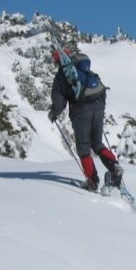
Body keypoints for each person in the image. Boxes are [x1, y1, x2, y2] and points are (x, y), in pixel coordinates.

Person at [48, 48, 123, 192]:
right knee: (97, 144)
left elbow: (59, 102)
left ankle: (92, 181)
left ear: (58, 61)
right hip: (98, 108)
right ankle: (114, 168)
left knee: (83, 149)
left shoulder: (62, 75)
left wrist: (53, 113)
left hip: (81, 112)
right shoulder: (82, 69)